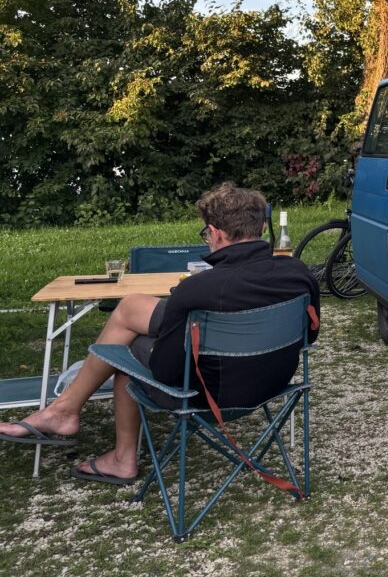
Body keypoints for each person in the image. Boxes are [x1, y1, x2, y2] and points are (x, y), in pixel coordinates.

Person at [0, 183, 319, 485]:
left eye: (207, 233)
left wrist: (144, 346)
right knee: (132, 308)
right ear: (261, 229)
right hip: (274, 385)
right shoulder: (298, 274)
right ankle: (64, 411)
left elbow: (166, 370)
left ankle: (117, 453)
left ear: (217, 234)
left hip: (214, 397)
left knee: (130, 356)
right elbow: (310, 337)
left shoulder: (196, 289)